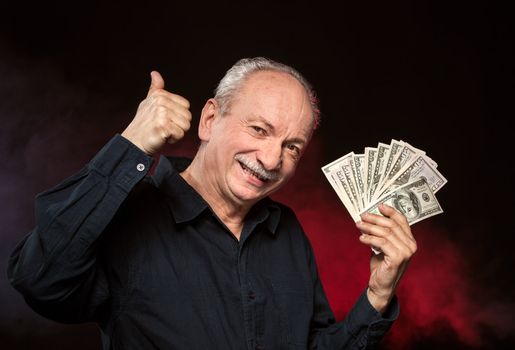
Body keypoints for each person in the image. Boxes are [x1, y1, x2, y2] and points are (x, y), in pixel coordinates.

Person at [8, 57, 417, 349]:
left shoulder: (287, 231)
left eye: (291, 147)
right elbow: (40, 279)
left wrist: (377, 296)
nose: (272, 160)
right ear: (209, 120)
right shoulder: (132, 214)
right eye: (259, 129)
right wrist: (129, 145)